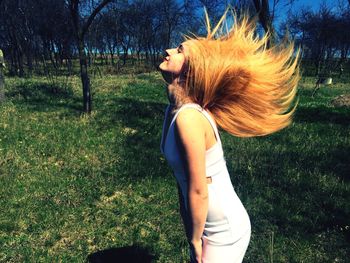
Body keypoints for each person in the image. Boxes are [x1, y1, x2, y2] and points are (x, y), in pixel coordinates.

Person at [159, 10, 299, 263]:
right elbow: (184, 183)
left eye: (179, 50)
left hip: (224, 231)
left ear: (193, 70)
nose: (169, 51)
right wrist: (191, 228)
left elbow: (199, 189)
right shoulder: (175, 110)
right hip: (207, 227)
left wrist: (194, 240)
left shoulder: (189, 118)